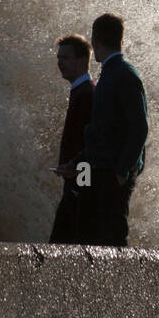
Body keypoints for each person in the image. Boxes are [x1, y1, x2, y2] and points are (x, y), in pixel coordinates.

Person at [58, 13, 148, 247]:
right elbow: (100, 134)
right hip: (99, 172)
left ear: (95, 41)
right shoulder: (111, 75)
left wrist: (122, 171)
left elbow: (139, 128)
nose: (61, 63)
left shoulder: (117, 76)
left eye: (65, 57)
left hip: (109, 174)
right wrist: (76, 163)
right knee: (96, 238)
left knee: (110, 238)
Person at [48, 34, 95, 244]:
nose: (60, 63)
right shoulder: (81, 91)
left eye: (65, 58)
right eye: (59, 57)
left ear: (83, 61)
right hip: (76, 186)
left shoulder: (87, 94)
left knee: (60, 247)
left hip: (80, 189)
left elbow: (91, 144)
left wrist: (79, 187)